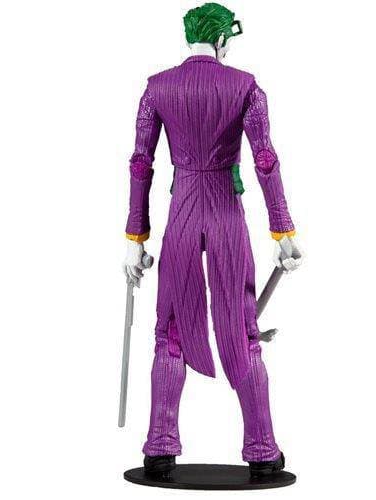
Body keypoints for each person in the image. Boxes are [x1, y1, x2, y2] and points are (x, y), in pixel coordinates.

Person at [122, 2, 303, 477]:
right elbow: (265, 159)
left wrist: (135, 236)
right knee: (243, 328)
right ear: (222, 40)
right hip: (225, 213)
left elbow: (141, 163)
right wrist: (283, 229)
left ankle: (160, 445)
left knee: (170, 330)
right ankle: (262, 449)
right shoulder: (245, 86)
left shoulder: (157, 87)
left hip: (182, 211)